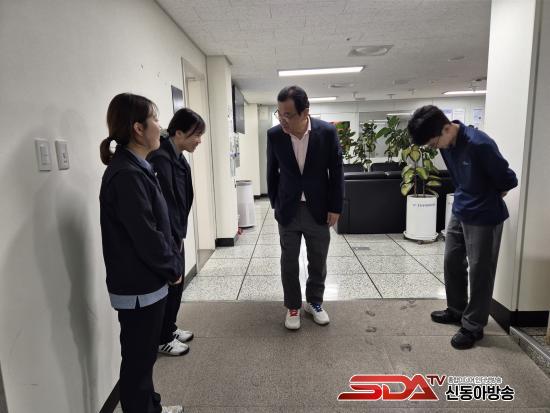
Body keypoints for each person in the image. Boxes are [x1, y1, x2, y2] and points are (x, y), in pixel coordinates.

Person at [99, 93, 184, 413]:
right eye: (156, 119)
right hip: (139, 286)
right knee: (138, 361)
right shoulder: (127, 174)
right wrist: (172, 267)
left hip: (145, 282)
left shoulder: (137, 167)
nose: (161, 127)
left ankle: (152, 407)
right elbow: (147, 236)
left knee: (144, 356)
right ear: (138, 128)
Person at [407, 105, 518, 350]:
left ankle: (473, 325)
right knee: (452, 261)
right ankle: (456, 309)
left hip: (485, 215)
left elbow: (508, 180)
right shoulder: (446, 144)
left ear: (447, 128)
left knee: (480, 271)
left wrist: (487, 196)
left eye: (434, 143)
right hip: (461, 208)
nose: (434, 148)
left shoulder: (480, 144)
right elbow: (459, 177)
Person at [267, 85, 344, 330]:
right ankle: (292, 306)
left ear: (305, 112)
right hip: (288, 209)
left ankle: (314, 302)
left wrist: (336, 206)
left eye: (288, 114)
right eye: (279, 113)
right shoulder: (275, 135)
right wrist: (275, 204)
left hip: (318, 208)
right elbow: (271, 172)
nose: (283, 119)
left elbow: (336, 172)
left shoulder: (327, 132)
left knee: (318, 259)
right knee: (288, 261)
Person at [147, 108, 205, 356]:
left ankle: (169, 328)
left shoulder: (177, 156)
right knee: (171, 284)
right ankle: (162, 338)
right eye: (196, 135)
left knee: (176, 286)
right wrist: (172, 239)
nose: (199, 140)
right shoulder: (161, 158)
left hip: (176, 232)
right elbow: (166, 205)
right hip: (168, 234)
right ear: (178, 133)